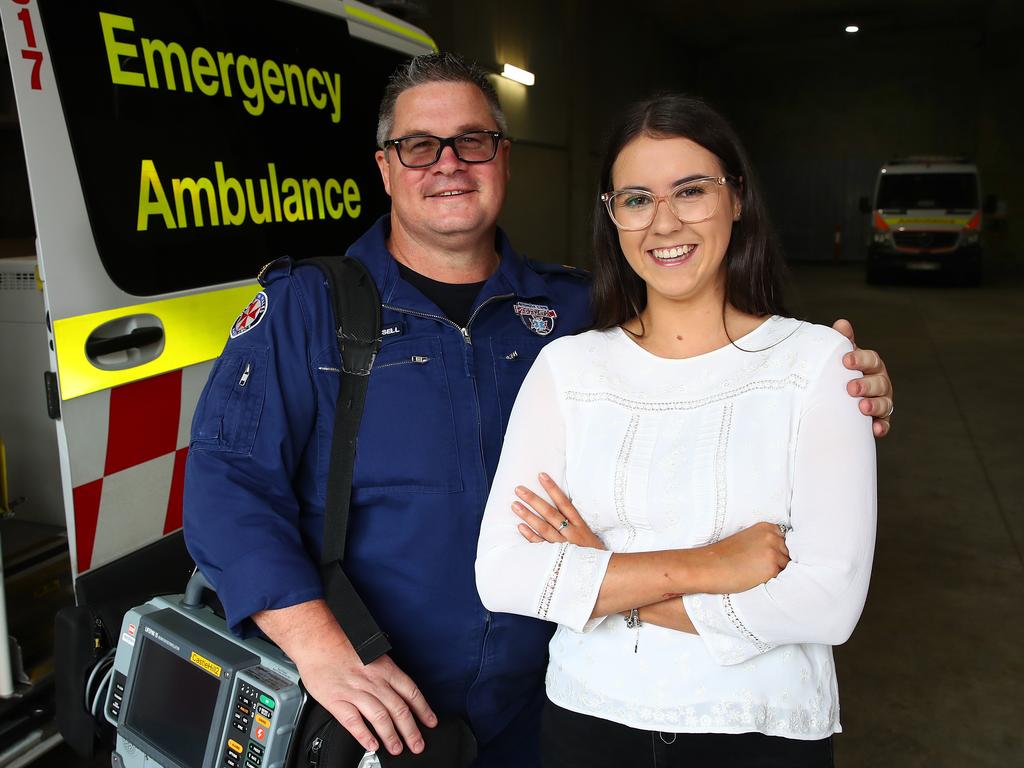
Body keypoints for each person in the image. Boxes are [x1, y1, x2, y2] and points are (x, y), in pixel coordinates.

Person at [184, 55, 892, 768]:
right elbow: (227, 489)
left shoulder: (573, 314)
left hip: (542, 713)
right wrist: (323, 652)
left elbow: (704, 361)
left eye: (473, 141)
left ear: (503, 158)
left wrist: (842, 383)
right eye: (419, 146)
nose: (449, 164)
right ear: (385, 167)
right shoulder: (309, 308)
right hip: (375, 711)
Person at [475, 93, 876, 768]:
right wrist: (714, 566)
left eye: (690, 191)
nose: (663, 222)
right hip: (589, 726)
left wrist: (602, 576)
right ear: (613, 216)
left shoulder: (813, 364)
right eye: (636, 199)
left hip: (760, 732)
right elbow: (507, 575)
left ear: (738, 197)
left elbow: (827, 602)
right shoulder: (569, 370)